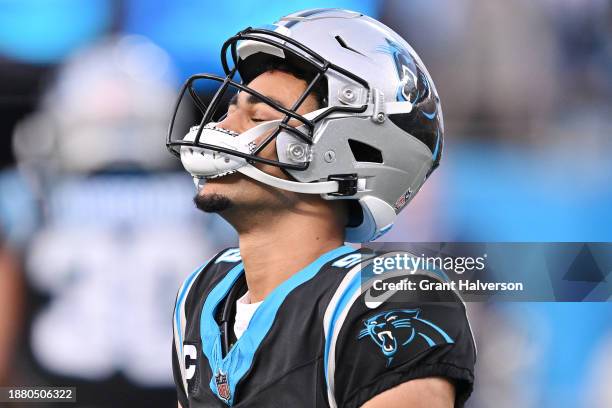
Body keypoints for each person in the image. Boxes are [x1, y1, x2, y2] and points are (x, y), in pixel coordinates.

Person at [169, 9, 475, 408]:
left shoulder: (389, 298)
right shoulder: (204, 292)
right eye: (231, 110)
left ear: (344, 152)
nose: (223, 128)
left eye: (258, 115)